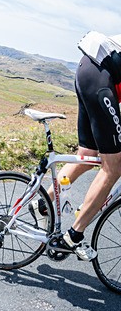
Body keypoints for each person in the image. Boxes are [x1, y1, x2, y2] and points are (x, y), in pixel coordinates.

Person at [35, 31, 121, 260]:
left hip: (88, 70)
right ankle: (73, 236)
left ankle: (43, 204)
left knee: (87, 154)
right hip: (100, 77)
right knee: (113, 168)